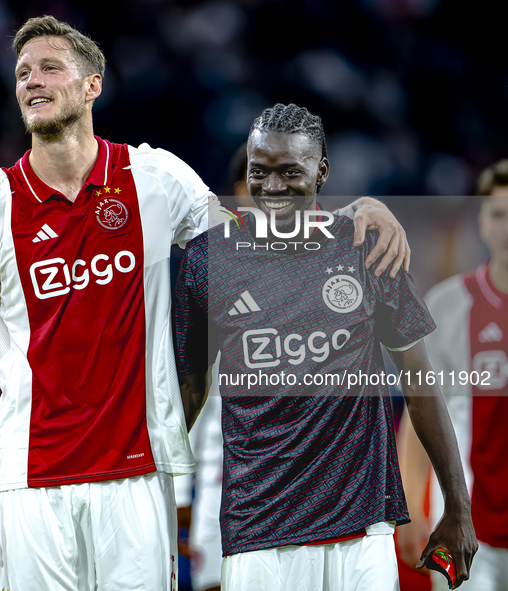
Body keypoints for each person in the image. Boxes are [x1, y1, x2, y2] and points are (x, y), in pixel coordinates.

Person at [0, 18, 412, 591]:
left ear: (93, 85)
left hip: (140, 474)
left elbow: (255, 244)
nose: (32, 81)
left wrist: (353, 215)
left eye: (49, 67)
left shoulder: (156, 177)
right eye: (22, 73)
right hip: (29, 478)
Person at [174, 103, 478, 591]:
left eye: (290, 172)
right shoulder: (209, 260)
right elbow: (188, 396)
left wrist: (457, 508)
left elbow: (420, 381)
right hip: (259, 529)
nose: (272, 188)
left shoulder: (368, 246)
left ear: (322, 172)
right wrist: (164, 493)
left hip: (363, 526)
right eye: (259, 172)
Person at [397, 160, 508, 591]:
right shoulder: (447, 305)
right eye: (498, 213)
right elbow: (422, 412)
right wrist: (409, 503)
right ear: (480, 222)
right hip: (468, 526)